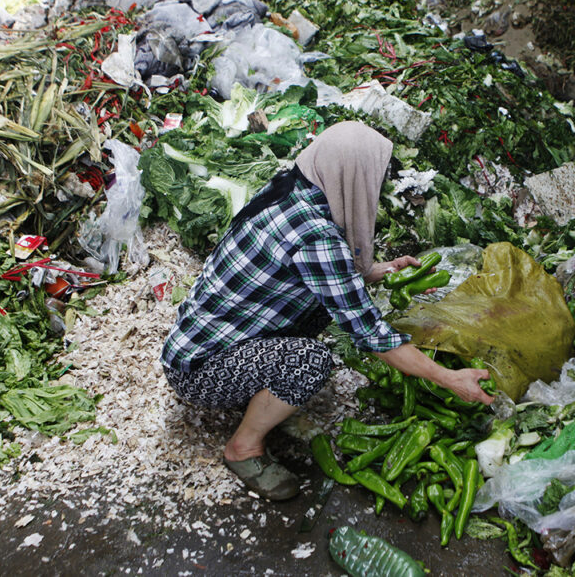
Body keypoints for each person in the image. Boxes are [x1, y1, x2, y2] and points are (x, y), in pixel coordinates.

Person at [160, 121, 492, 500]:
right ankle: (243, 447)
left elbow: (319, 277)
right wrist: (449, 379)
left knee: (323, 311)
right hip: (200, 371)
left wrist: (376, 272)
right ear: (351, 175)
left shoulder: (291, 189)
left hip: (200, 341)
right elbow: (371, 334)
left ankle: (259, 394)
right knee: (310, 361)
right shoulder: (315, 233)